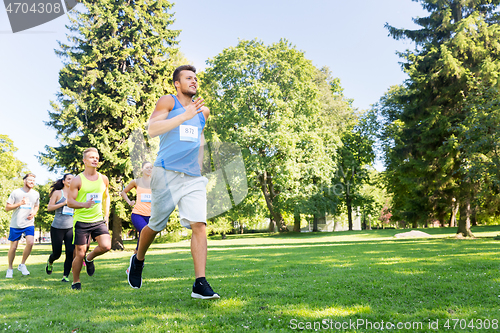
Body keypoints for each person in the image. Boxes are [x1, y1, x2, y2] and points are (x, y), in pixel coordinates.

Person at [127, 64, 220, 299]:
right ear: (177, 84)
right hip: (166, 174)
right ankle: (138, 259)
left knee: (199, 224)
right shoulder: (168, 101)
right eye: (188, 78)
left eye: (196, 78)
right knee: (156, 225)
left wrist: (199, 168)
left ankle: (200, 283)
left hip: (192, 178)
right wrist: (183, 115)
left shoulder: (203, 111)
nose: (194, 81)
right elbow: (152, 129)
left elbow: (198, 139)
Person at [67, 147, 111, 290]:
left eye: (97, 157)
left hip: (98, 219)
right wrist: (84, 204)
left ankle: (90, 258)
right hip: (81, 221)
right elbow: (70, 202)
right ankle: (76, 281)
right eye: (91, 157)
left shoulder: (103, 179)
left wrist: (106, 214)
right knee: (79, 253)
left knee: (106, 246)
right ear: (84, 161)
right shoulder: (77, 180)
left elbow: (107, 197)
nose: (95, 159)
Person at [5, 173, 39, 278]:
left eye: (33, 180)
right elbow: (7, 208)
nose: (32, 182)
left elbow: (36, 206)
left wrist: (34, 213)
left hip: (29, 224)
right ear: (24, 181)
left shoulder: (36, 194)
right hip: (16, 224)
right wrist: (20, 203)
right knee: (13, 247)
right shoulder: (16, 193)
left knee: (30, 242)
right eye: (30, 180)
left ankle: (22, 264)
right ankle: (10, 268)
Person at [46, 173, 75, 282]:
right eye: (68, 179)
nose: (70, 181)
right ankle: (50, 261)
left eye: (73, 179)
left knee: (70, 252)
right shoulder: (58, 193)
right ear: (63, 181)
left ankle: (65, 276)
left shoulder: (75, 193)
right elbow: (50, 207)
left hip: (70, 227)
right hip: (57, 227)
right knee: (57, 253)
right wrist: (63, 203)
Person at [120, 161, 153, 254]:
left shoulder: (155, 183)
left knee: (144, 238)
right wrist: (129, 202)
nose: (149, 169)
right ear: (142, 169)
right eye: (147, 167)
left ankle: (135, 260)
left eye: (151, 167)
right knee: (144, 231)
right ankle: (136, 260)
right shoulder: (136, 182)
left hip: (151, 216)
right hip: (138, 214)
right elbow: (123, 192)